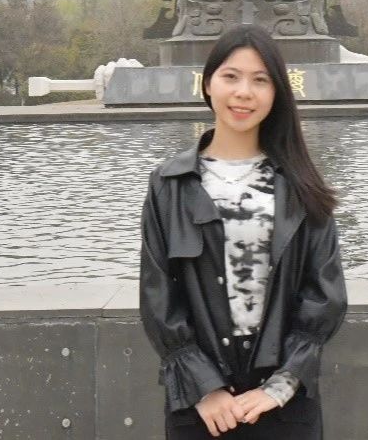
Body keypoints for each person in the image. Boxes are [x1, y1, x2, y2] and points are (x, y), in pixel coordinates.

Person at [140, 24, 348, 439]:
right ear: (208, 84)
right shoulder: (169, 184)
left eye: (260, 80)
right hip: (200, 407)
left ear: (276, 93)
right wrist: (204, 387)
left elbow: (326, 292)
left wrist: (281, 386)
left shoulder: (300, 183)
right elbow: (158, 292)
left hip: (284, 405)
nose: (243, 93)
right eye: (231, 77)